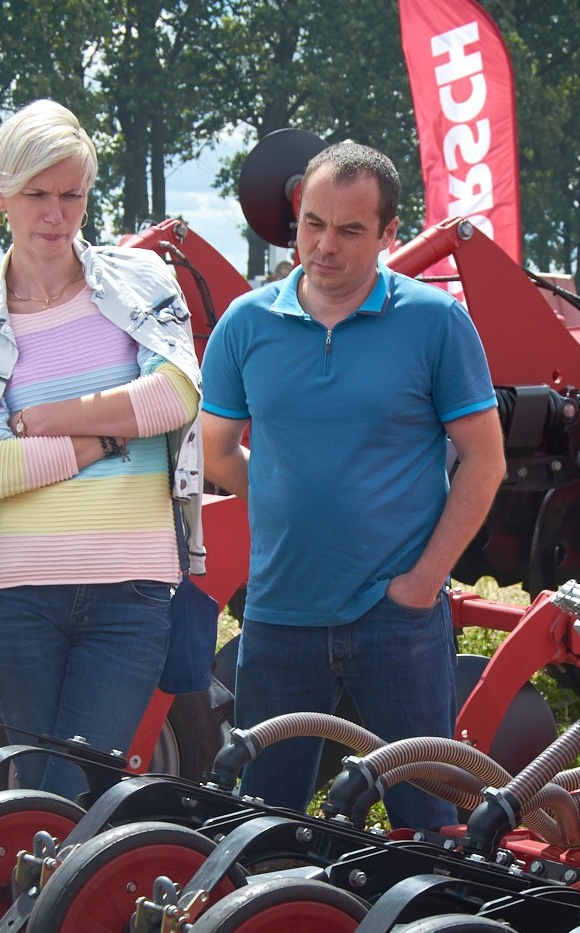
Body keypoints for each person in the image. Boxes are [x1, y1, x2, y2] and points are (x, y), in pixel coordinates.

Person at [0, 99, 204, 803]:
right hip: (15, 591)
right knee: (41, 787)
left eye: (72, 194)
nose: (55, 214)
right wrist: (112, 431)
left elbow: (175, 399)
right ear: (1, 194)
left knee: (75, 785)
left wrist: (49, 418)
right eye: (37, 194)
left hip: (130, 586)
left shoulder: (143, 284)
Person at [200, 142, 506, 832]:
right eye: (312, 224)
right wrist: (280, 499)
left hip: (397, 620)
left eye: (349, 229)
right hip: (280, 615)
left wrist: (422, 583)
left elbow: (484, 461)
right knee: (263, 824)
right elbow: (215, 452)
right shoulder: (246, 325)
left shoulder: (435, 323)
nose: (324, 246)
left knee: (425, 826)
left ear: (389, 233)